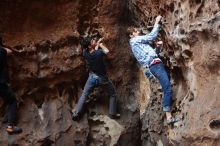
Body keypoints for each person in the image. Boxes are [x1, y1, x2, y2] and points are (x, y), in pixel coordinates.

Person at [127, 16, 179, 124]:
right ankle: (169, 117)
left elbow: (152, 54)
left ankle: (168, 112)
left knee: (167, 86)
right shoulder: (134, 41)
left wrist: (158, 47)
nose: (138, 32)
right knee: (167, 88)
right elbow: (151, 36)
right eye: (135, 31)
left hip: (155, 64)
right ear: (131, 35)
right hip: (155, 66)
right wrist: (156, 22)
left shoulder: (138, 45)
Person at [72, 36, 120, 120]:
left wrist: (96, 44)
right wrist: (101, 44)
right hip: (102, 79)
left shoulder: (85, 53)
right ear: (89, 46)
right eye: (92, 40)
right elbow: (107, 51)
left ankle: (76, 113)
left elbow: (94, 52)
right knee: (113, 94)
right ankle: (112, 113)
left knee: (84, 94)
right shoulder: (99, 53)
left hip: (92, 78)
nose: (94, 40)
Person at [0, 37, 22, 134]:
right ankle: (10, 126)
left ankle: (7, 116)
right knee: (12, 101)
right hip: (0, 84)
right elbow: (9, 51)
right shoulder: (1, 50)